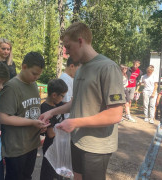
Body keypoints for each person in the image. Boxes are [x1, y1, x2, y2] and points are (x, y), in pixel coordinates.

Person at [39, 22, 125, 180]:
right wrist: (52, 112)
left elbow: (115, 114)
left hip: (96, 147)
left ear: (80, 41)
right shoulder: (81, 70)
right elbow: (76, 101)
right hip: (77, 140)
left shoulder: (108, 67)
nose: (66, 52)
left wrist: (75, 122)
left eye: (68, 46)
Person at [0, 52, 49, 180]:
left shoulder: (33, 84)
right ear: (24, 67)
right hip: (16, 147)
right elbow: (3, 117)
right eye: (34, 73)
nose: (36, 77)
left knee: (27, 176)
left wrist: (40, 123)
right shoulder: (11, 87)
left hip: (31, 143)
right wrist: (32, 123)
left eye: (39, 74)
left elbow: (33, 110)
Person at [40, 79, 68, 180]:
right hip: (50, 146)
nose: (63, 98)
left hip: (59, 144)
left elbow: (70, 105)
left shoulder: (58, 104)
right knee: (48, 172)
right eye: (62, 96)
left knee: (59, 171)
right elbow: (51, 133)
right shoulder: (45, 107)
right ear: (54, 95)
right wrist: (64, 129)